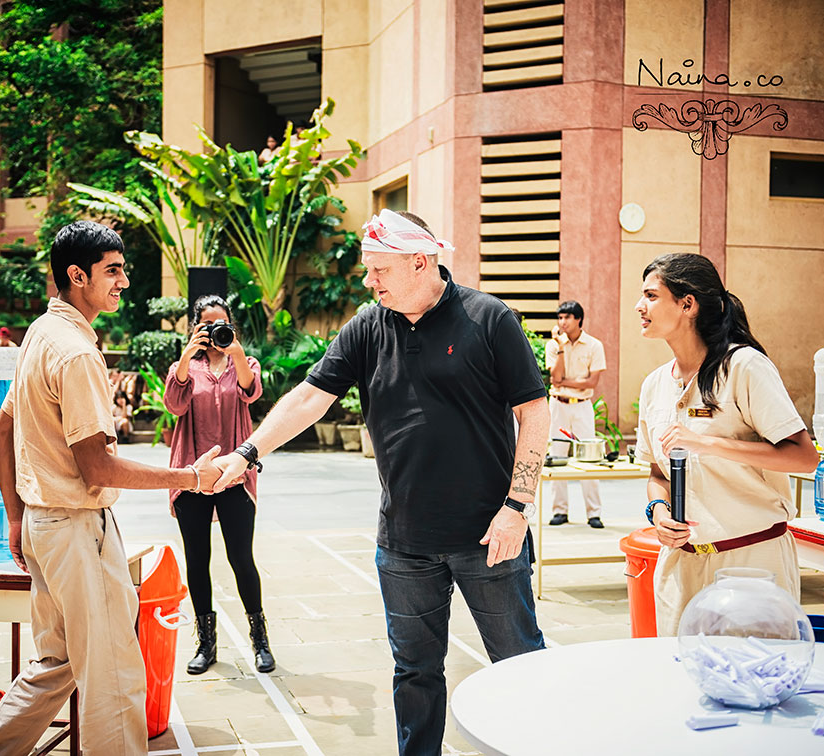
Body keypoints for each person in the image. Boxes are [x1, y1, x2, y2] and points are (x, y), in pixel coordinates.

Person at [208, 209, 549, 755]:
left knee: (520, 663)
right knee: (414, 672)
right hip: (405, 542)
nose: (369, 282)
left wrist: (517, 506)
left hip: (490, 536)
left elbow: (534, 411)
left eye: (378, 270)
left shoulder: (489, 319)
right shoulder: (369, 325)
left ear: (419, 261)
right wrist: (247, 452)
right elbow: (309, 398)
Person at [0, 221, 222, 756]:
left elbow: (1, 428)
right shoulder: (76, 352)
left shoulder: (41, 333)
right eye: (113, 270)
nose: (124, 281)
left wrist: (16, 518)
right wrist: (191, 477)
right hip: (75, 530)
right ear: (76, 276)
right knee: (115, 678)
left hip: (43, 524)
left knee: (54, 667)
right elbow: (97, 468)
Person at [634, 253, 819, 636]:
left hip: (752, 563)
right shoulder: (655, 384)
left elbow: (804, 458)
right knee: (679, 684)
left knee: (755, 686)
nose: (640, 306)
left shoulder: (744, 367)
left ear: (688, 304)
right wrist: (658, 510)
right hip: (680, 568)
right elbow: (657, 471)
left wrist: (710, 443)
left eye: (651, 296)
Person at [164, 294, 273, 674]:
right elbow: (174, 405)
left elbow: (251, 392)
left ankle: (260, 640)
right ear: (196, 327)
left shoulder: (244, 362)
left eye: (220, 323)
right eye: (207, 325)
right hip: (191, 474)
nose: (214, 332)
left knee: (242, 558)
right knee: (197, 560)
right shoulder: (186, 368)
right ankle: (206, 644)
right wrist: (185, 354)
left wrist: (237, 353)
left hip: (235, 475)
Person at [545, 300, 607, 528]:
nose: (563, 322)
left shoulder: (594, 345)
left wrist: (566, 382)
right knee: (557, 457)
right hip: (558, 405)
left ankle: (594, 513)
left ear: (579, 319)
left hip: (582, 406)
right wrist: (561, 348)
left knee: (588, 457)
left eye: (567, 317)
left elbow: (591, 382)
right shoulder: (553, 345)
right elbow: (554, 378)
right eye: (560, 318)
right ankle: (559, 511)